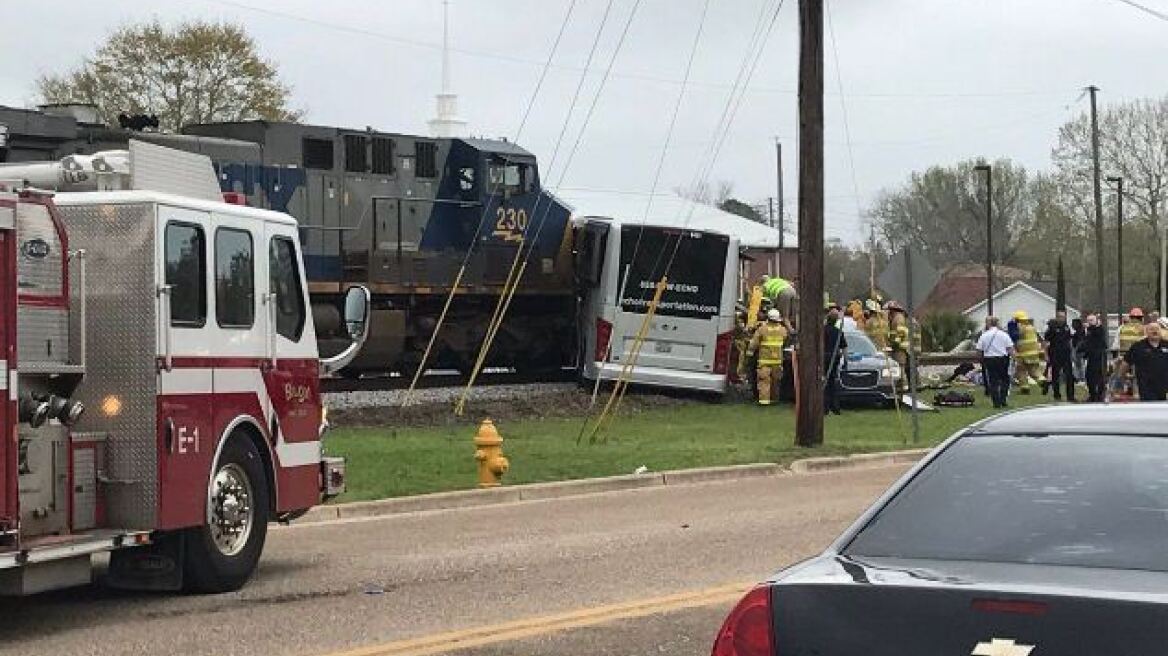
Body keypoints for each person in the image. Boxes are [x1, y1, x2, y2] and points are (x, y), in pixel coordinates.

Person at [746, 309, 788, 405]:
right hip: (777, 361)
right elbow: (785, 341)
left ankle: (764, 402)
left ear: (768, 318)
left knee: (764, 381)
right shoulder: (782, 330)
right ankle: (774, 400)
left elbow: (754, 343)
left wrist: (749, 353)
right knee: (776, 382)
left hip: (764, 361)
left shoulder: (762, 329)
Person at [1118, 322, 1168, 401]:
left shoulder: (1166, 344)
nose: (1155, 331)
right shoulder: (1138, 347)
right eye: (1151, 329)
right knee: (1150, 409)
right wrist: (1122, 377)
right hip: (1146, 387)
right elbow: (1126, 363)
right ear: (1146, 332)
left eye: (1157, 329)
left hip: (1164, 387)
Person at [976, 316, 1015, 408]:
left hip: (989, 359)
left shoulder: (984, 335)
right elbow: (1010, 349)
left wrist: (981, 360)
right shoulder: (1004, 335)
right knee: (1005, 380)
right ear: (997, 323)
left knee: (993, 381)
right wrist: (1014, 359)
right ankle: (1003, 399)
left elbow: (979, 350)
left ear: (989, 324)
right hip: (1003, 359)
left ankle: (996, 402)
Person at [1043, 310, 1075, 401]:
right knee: (1055, 376)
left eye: (1064, 317)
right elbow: (1045, 342)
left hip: (1066, 355)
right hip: (1055, 354)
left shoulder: (1067, 327)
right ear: (1057, 317)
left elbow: (1069, 340)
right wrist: (1046, 355)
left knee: (1069, 376)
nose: (1062, 319)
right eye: (1060, 317)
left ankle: (1070, 396)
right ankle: (1057, 395)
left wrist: (1071, 352)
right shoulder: (1052, 328)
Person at [1012, 311, 1046, 394]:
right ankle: (1043, 381)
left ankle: (1025, 388)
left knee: (1020, 371)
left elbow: (1015, 338)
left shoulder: (1020, 328)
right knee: (1034, 370)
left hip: (1023, 354)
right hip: (1034, 353)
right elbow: (1039, 339)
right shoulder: (1031, 327)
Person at [823, 305, 847, 415]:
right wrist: (845, 361)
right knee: (831, 382)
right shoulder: (838, 332)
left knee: (825, 382)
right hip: (834, 358)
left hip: (825, 358)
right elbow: (844, 347)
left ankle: (826, 407)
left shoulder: (822, 331)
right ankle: (833, 407)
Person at [1082, 313, 1109, 402]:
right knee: (1089, 377)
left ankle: (1100, 395)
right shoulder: (1088, 331)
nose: (1090, 322)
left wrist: (1089, 328)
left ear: (1096, 321)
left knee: (1100, 376)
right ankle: (1092, 394)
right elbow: (1087, 342)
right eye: (1088, 320)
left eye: (1091, 320)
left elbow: (1097, 334)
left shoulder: (1099, 329)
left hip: (1100, 356)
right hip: (1091, 357)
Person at [1071, 317, 1087, 383]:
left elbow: (1080, 341)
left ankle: (1081, 378)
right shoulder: (1077, 332)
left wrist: (1077, 348)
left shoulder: (1081, 331)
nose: (1072, 325)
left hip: (1079, 350)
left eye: (1073, 324)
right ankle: (1078, 377)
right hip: (1077, 349)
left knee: (1080, 364)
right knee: (1078, 364)